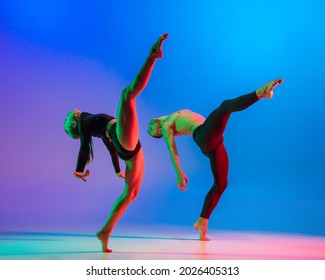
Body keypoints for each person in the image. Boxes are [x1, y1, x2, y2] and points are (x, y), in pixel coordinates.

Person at [64, 33, 168, 252]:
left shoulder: (91, 123)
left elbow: (108, 146)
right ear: (74, 123)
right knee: (126, 95)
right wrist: (79, 169)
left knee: (131, 193)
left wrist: (117, 170)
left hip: (127, 148)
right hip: (124, 141)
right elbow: (85, 146)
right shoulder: (84, 122)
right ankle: (153, 56)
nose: (68, 114)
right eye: (68, 120)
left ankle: (104, 232)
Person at [147, 78, 284, 241]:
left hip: (214, 142)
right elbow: (172, 151)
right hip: (204, 136)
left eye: (149, 128)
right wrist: (178, 173)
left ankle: (202, 222)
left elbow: (158, 119)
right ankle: (261, 93)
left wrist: (156, 119)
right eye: (151, 131)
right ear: (159, 133)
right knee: (225, 106)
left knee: (221, 184)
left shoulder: (166, 118)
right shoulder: (166, 125)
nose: (149, 126)